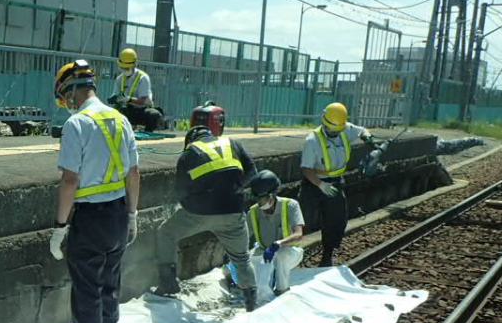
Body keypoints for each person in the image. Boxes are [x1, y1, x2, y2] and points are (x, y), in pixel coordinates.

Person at [50, 59, 140, 323]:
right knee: (109, 287)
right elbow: (133, 172)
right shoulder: (121, 119)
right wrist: (132, 215)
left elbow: (70, 181)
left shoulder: (77, 124)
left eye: (65, 96)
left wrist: (60, 226)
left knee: (86, 292)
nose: (67, 103)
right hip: (117, 214)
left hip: (89, 218)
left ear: (73, 89)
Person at [155, 125, 260, 311]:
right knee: (241, 258)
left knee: (166, 233)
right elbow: (252, 172)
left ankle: (168, 284)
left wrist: (191, 208)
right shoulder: (233, 143)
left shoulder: (189, 154)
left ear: (190, 140)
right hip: (233, 212)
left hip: (200, 213)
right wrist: (233, 189)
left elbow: (180, 192)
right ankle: (252, 303)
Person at [299, 102, 374, 267]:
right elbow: (306, 168)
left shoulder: (344, 128)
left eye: (337, 130)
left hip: (336, 183)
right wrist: (321, 185)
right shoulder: (312, 141)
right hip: (314, 183)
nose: (334, 133)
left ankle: (327, 255)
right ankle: (292, 256)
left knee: (336, 220)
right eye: (331, 129)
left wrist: (367, 137)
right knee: (301, 219)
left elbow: (361, 130)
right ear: (323, 122)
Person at [247, 170, 305, 298]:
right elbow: (244, 236)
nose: (260, 203)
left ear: (273, 194)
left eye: (263, 198)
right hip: (264, 251)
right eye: (257, 199)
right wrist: (233, 252)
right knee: (244, 262)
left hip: (290, 252)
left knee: (281, 255)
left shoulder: (290, 205)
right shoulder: (253, 212)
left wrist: (279, 243)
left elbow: (298, 234)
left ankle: (282, 290)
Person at [111, 48, 164, 132]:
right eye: (123, 68)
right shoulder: (119, 79)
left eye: (127, 68)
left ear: (134, 65)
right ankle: (124, 131)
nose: (125, 70)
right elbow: (116, 96)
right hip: (128, 109)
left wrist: (128, 99)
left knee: (155, 115)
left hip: (143, 110)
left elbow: (142, 100)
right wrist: (115, 99)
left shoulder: (143, 78)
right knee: (116, 114)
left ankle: (148, 132)